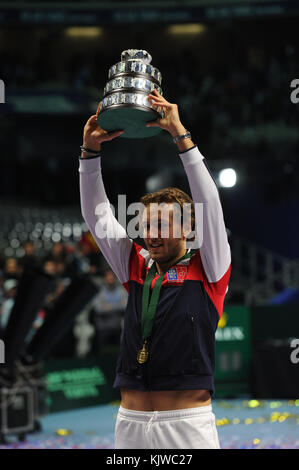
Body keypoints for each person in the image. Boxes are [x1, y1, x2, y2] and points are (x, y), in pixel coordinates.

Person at [79, 89, 231, 449]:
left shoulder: (209, 268)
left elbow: (209, 202)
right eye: (147, 226)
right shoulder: (135, 264)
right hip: (129, 424)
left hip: (185, 427)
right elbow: (96, 215)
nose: (151, 235)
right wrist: (90, 153)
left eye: (162, 226)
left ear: (188, 229)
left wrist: (181, 137)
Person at [90, 269, 128, 354]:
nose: (110, 278)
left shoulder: (121, 291)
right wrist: (117, 306)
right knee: (102, 352)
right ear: (104, 278)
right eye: (108, 276)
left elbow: (125, 306)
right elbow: (99, 308)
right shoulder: (99, 291)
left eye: (112, 277)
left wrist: (108, 306)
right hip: (103, 327)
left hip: (117, 326)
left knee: (117, 351)